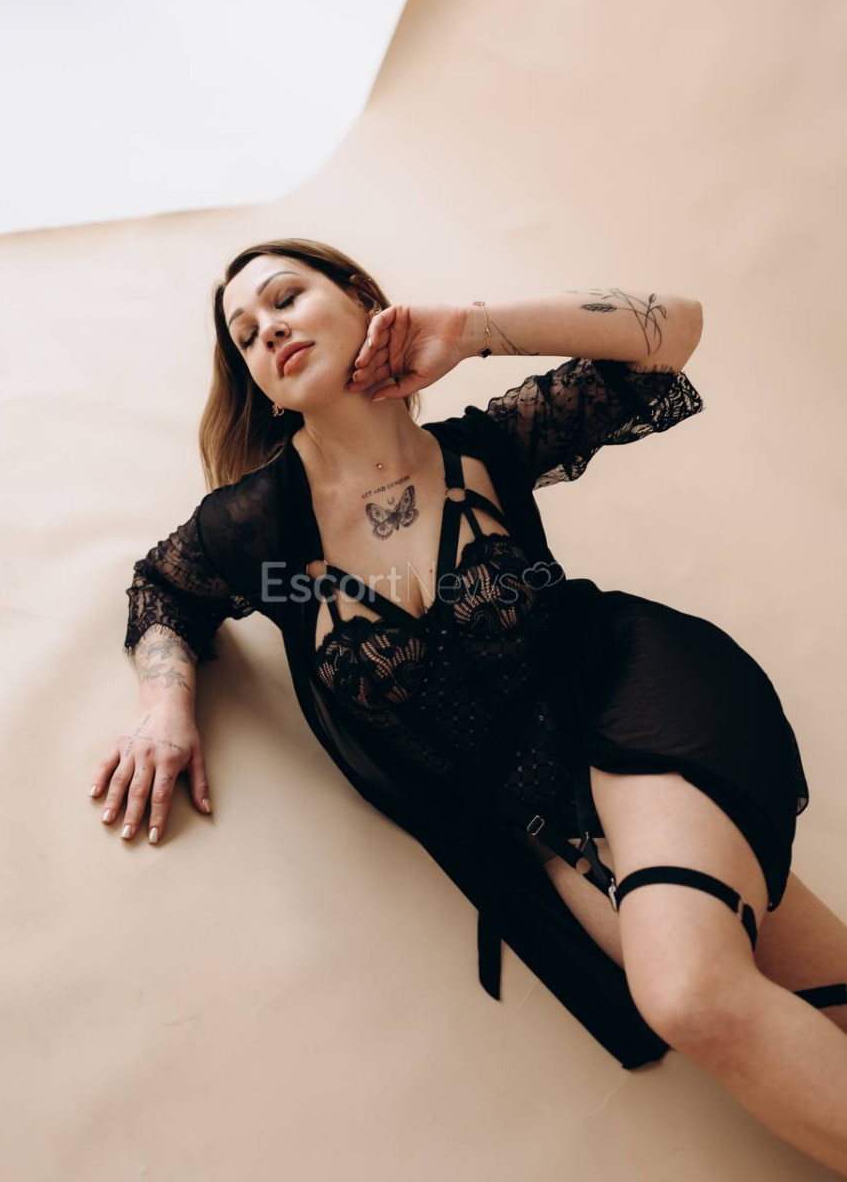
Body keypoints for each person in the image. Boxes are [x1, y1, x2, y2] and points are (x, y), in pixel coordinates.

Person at [93, 237, 847, 1172]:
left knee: (689, 995)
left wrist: (473, 329)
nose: (269, 331)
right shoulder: (255, 529)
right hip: (530, 821)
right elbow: (161, 592)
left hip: (629, 715)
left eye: (285, 299)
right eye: (245, 335)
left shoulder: (491, 446)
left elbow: (673, 332)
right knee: (801, 1006)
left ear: (362, 299)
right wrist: (165, 705)